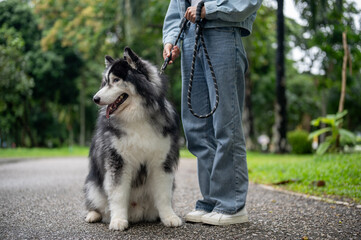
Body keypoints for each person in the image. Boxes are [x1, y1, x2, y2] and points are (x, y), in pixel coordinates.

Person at [162, 0, 262, 225]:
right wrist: (170, 40)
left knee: (226, 123)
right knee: (197, 127)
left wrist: (212, 10)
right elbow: (176, 7)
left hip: (222, 33)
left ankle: (232, 205)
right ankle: (212, 201)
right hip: (188, 37)